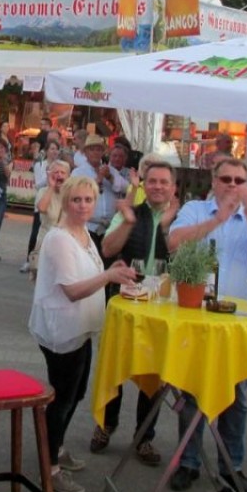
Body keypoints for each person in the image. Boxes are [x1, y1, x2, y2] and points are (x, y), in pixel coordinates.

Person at [167, 156, 247, 492]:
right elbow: (175, 242)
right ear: (214, 181)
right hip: (198, 319)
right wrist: (218, 219)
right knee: (192, 394)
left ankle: (232, 466)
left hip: (236, 325)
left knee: (236, 399)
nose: (233, 186)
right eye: (227, 179)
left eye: (239, 180)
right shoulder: (195, 210)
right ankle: (188, 462)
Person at [30, 176, 136, 492]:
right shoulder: (60, 238)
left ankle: (56, 448)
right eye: (76, 200)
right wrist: (109, 275)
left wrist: (109, 270)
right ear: (65, 201)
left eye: (88, 200)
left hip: (81, 328)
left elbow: (88, 273)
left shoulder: (84, 233)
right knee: (62, 399)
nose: (83, 206)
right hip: (62, 329)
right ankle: (50, 468)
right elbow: (72, 290)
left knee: (74, 395)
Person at [96, 160, 180, 465]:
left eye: (163, 182)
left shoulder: (182, 218)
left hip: (162, 309)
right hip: (127, 304)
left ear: (173, 188)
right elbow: (107, 249)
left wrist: (168, 227)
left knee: (155, 372)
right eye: (152, 181)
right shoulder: (130, 213)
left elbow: (187, 258)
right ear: (144, 185)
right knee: (115, 363)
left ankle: (144, 437)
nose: (157, 187)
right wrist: (128, 222)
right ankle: (106, 424)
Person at [73, 135, 129, 254]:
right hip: (87, 227)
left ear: (103, 152)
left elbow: (126, 188)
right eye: (92, 149)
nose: (95, 153)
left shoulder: (111, 170)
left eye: (99, 149)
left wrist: (110, 177)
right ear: (86, 152)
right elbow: (75, 195)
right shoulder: (78, 172)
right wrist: (98, 179)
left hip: (109, 228)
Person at [21, 139, 63, 274]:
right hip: (42, 199)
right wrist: (49, 177)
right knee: (36, 232)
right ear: (46, 151)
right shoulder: (40, 164)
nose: (54, 152)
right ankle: (30, 260)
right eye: (52, 149)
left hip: (56, 202)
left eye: (56, 149)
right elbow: (38, 184)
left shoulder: (60, 166)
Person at [25, 159, 70, 280]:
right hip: (46, 241)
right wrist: (51, 187)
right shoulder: (43, 191)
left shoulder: (71, 194)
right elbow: (42, 208)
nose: (59, 175)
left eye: (62, 173)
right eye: (56, 172)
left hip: (65, 244)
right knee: (43, 281)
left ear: (68, 176)